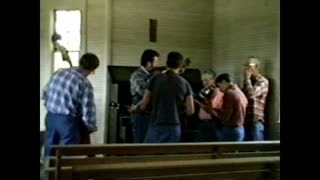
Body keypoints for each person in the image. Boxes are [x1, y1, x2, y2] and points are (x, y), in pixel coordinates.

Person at [42, 53, 100, 156]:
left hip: (50, 117)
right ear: (92, 70)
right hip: (67, 123)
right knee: (67, 156)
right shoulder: (85, 84)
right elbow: (88, 111)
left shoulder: (59, 72)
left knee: (49, 150)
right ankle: (64, 171)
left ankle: (47, 171)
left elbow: (44, 93)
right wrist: (90, 127)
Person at [131, 52, 195, 143]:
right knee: (169, 156)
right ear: (180, 65)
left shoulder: (155, 79)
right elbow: (190, 111)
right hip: (174, 127)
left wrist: (134, 109)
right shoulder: (185, 83)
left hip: (156, 125)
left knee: (148, 154)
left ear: (167, 63)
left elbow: (143, 105)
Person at [129, 49, 160, 143]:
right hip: (140, 115)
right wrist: (154, 77)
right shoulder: (136, 75)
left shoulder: (152, 75)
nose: (158, 64)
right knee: (141, 143)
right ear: (149, 63)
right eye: (156, 62)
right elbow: (144, 92)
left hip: (151, 113)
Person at [210, 73, 248, 142]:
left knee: (224, 151)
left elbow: (226, 116)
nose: (220, 90)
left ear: (224, 82)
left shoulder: (229, 93)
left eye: (219, 86)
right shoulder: (239, 91)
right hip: (240, 129)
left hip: (231, 130)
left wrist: (212, 110)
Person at [243, 56, 269, 141]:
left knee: (257, 147)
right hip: (246, 120)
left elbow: (252, 94)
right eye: (246, 66)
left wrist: (247, 79)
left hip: (256, 120)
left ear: (257, 67)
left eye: (249, 66)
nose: (246, 68)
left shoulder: (263, 81)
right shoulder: (248, 81)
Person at [195, 69, 223, 142]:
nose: (204, 83)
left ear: (213, 80)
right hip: (203, 123)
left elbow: (210, 107)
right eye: (203, 80)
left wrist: (198, 102)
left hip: (212, 123)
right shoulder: (205, 90)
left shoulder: (216, 91)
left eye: (207, 80)